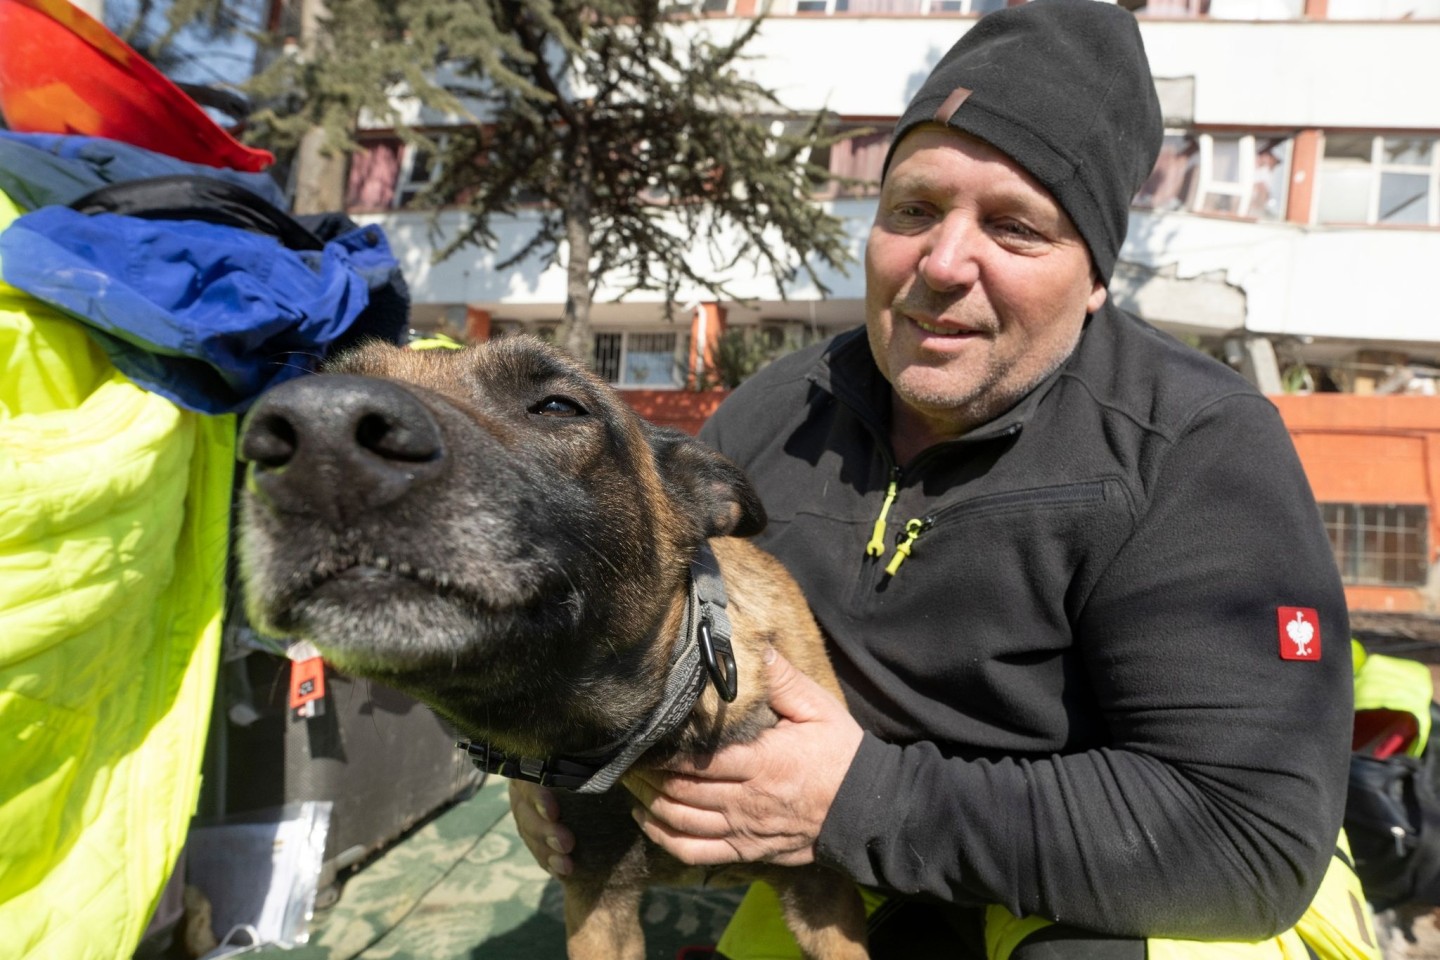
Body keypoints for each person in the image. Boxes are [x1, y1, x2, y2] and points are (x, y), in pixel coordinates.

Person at [512, 1, 1370, 957]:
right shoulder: (775, 413)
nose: (943, 263)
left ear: (1094, 278)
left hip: (1135, 900)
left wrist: (857, 799)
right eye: (914, 210)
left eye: (1015, 227)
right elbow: (635, 618)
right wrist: (544, 750)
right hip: (852, 873)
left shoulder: (1195, 449)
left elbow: (1246, 843)